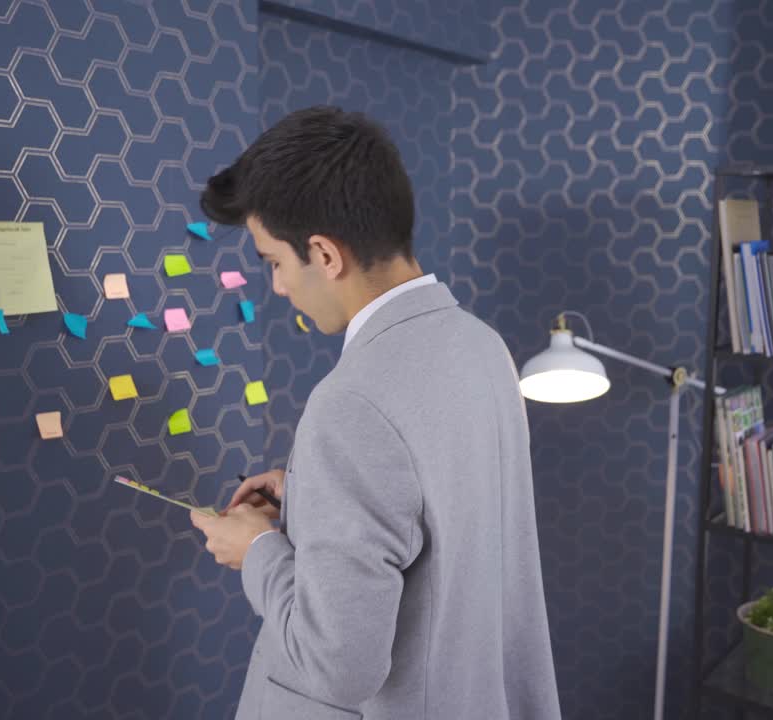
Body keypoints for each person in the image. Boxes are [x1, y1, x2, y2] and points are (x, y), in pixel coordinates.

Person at [189, 106, 560, 720]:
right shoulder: (482, 344)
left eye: (274, 262)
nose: (277, 287)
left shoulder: (350, 404)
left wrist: (256, 550)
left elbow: (339, 666)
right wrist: (314, 501)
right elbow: (438, 508)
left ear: (325, 255)